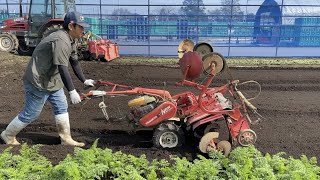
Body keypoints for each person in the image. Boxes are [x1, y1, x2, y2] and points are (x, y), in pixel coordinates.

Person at [1, 11, 94, 147]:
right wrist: (72, 91)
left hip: (52, 79)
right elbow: (62, 67)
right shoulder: (61, 40)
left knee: (62, 106)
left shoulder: (72, 39)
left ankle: (66, 139)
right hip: (38, 80)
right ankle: (8, 135)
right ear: (71, 26)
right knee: (31, 113)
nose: (83, 30)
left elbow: (74, 61)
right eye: (81, 27)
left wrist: (84, 80)